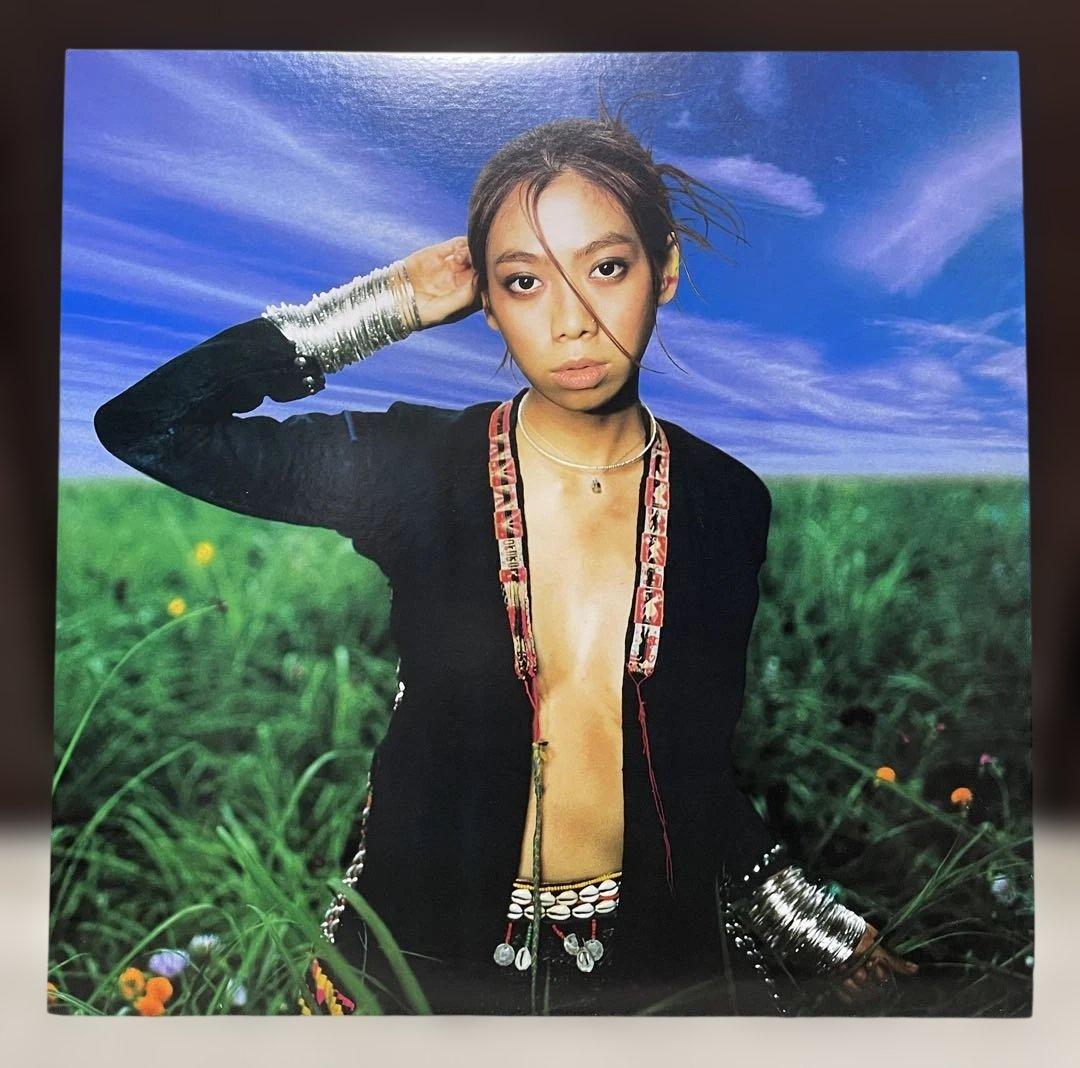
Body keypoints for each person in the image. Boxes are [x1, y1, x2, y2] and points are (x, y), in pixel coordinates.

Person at [94, 104, 918, 1016]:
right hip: (415, 957)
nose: (571, 321)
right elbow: (149, 427)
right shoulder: (414, 471)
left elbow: (690, 764)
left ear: (666, 268)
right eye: (525, 282)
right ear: (485, 300)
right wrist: (391, 302)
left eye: (606, 268)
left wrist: (803, 917)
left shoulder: (725, 504)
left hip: (648, 963)